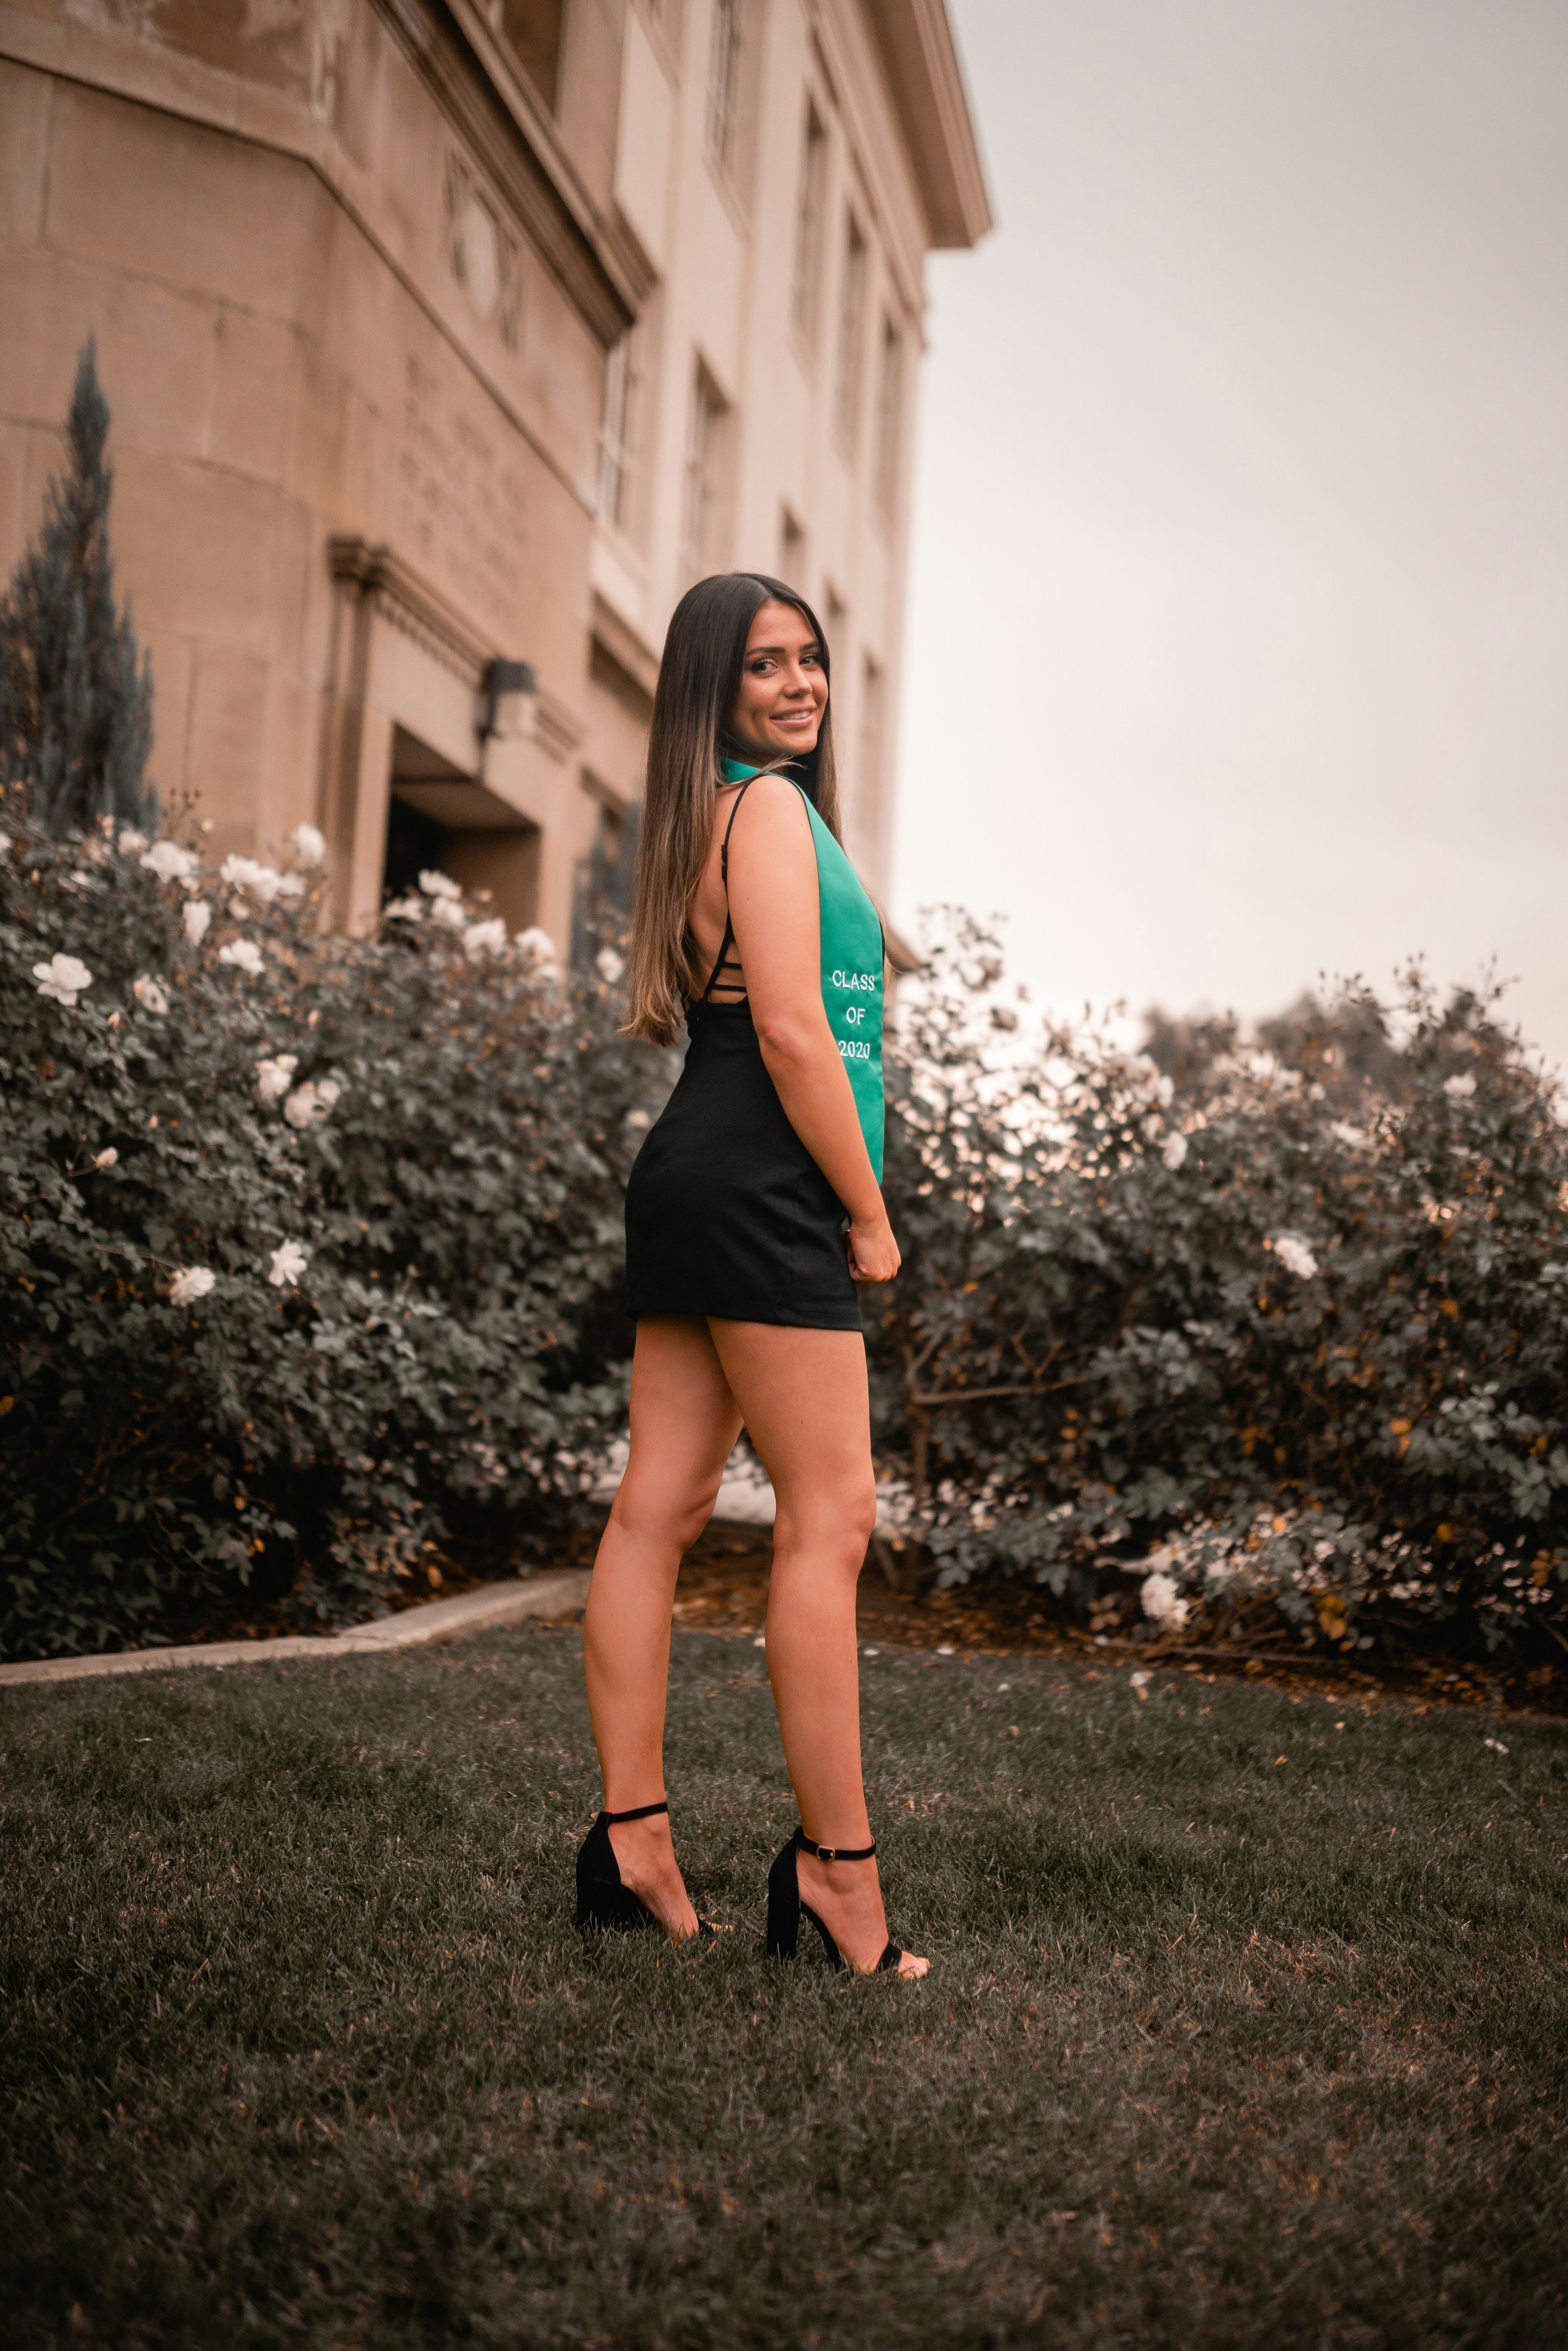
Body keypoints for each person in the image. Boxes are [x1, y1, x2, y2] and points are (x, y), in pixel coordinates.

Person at [574, 571, 928, 1980]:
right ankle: (839, 1880)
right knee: (830, 1518)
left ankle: (631, 1841)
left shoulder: (714, 813)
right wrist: (870, 1207)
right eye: (765, 666)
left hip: (692, 1161)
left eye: (812, 659)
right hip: (762, 1168)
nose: (799, 684)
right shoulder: (770, 809)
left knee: (655, 1507)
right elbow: (791, 1033)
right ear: (712, 692)